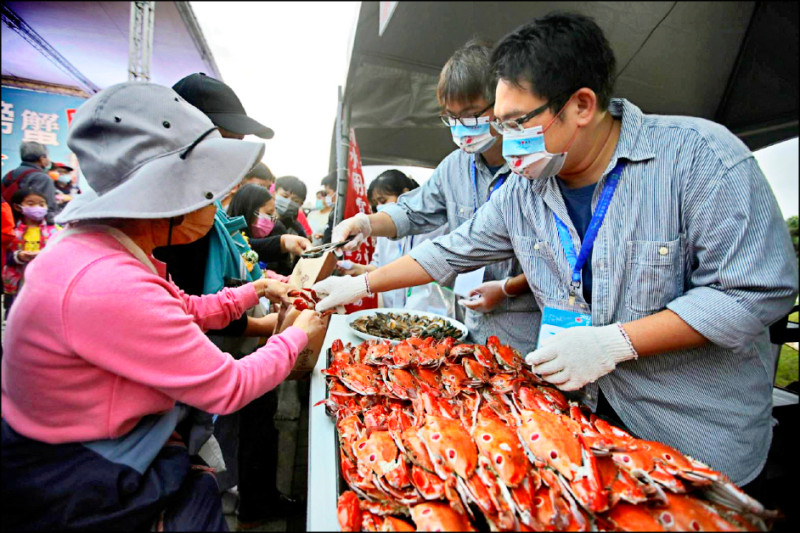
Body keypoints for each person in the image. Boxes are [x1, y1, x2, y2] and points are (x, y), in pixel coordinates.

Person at [313, 12, 799, 490]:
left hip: (690, 431)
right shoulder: (525, 189)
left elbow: (752, 291)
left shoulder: (700, 159)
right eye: (498, 127)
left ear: (582, 105)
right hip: (577, 425)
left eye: (517, 123)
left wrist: (616, 343)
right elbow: (450, 250)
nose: (505, 145)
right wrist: (358, 284)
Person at [1, 81, 327, 531]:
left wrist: (255, 292)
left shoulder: (103, 248)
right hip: (86, 472)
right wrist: (297, 336)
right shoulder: (107, 282)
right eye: (206, 192)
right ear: (166, 196)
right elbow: (227, 386)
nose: (214, 204)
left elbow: (182, 307)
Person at [329, 39, 540, 354]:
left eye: (470, 114)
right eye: (450, 118)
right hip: (468, 323)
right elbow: (412, 212)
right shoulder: (455, 166)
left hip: (525, 327)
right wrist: (366, 224)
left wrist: (508, 288)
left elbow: (553, 258)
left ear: (499, 101)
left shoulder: (532, 165)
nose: (460, 128)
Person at [339, 169, 448, 311]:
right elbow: (378, 267)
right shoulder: (385, 233)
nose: (379, 206)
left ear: (405, 193)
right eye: (376, 203)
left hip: (427, 310)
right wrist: (356, 268)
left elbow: (429, 267)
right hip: (393, 311)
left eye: (383, 200)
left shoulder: (437, 226)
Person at [1, 188, 60, 315]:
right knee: (15, 312)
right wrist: (19, 256)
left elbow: (61, 254)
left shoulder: (55, 230)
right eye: (31, 204)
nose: (37, 207)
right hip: (17, 280)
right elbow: (5, 254)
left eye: (41, 204)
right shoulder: (12, 231)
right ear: (18, 207)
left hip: (44, 280)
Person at [1, 141, 57, 223]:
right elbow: (48, 208)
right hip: (32, 227)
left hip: (9, 222)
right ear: (42, 159)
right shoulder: (42, 178)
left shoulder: (10, 174)